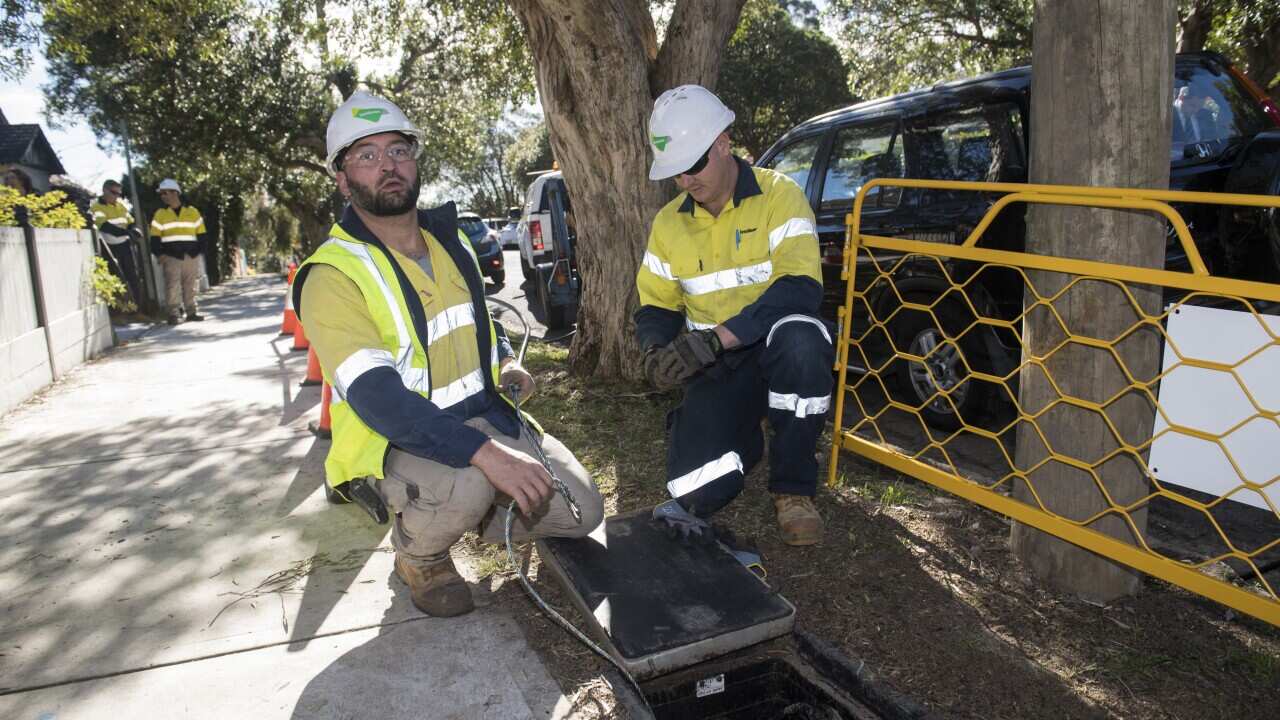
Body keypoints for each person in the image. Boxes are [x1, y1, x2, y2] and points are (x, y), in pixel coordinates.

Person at [293, 91, 603, 618]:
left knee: (585, 510)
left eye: (398, 150)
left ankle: (479, 504)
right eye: (366, 156)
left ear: (415, 160)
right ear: (343, 180)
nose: (387, 166)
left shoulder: (449, 238)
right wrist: (487, 455)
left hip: (482, 415)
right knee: (469, 478)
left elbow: (477, 322)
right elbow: (378, 397)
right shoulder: (332, 274)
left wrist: (504, 359)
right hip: (398, 440)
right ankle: (421, 555)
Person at [635, 85, 833, 547]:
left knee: (803, 340)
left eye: (693, 165)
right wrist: (654, 350)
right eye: (675, 172)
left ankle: (793, 489)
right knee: (694, 493)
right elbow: (657, 303)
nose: (685, 180)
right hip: (719, 368)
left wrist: (718, 337)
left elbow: (801, 288)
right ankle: (745, 439)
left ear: (723, 143)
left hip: (776, 351)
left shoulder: (779, 196)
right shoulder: (668, 223)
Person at [149, 178, 206, 324]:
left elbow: (202, 234)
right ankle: (173, 314)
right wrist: (159, 254)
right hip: (171, 256)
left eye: (165, 193)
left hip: (191, 254)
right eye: (161, 194)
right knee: (172, 285)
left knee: (190, 284)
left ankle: (191, 312)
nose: (162, 196)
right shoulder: (160, 214)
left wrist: (198, 251)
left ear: (175, 193)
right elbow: (154, 238)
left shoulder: (193, 212)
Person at [91, 180, 142, 304]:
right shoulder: (96, 206)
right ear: (104, 190)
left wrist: (134, 229)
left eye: (118, 193)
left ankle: (138, 307)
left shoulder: (121, 206)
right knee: (115, 278)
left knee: (133, 277)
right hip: (108, 248)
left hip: (125, 245)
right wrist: (128, 233)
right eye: (114, 193)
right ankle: (121, 310)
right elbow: (105, 227)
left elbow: (130, 222)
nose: (117, 196)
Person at [1173, 80, 1219, 145]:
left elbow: (1212, 139)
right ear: (1181, 98)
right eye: (1192, 105)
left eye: (1199, 107)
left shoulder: (1206, 114)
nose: (1196, 111)